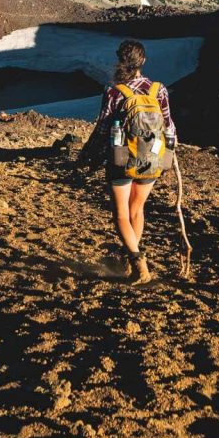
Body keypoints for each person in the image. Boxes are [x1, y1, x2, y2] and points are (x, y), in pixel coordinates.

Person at [81, 39, 176, 284]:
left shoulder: (114, 91)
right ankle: (130, 257)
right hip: (152, 159)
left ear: (119, 60)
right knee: (137, 209)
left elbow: (102, 127)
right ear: (142, 61)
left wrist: (88, 154)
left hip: (121, 158)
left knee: (121, 214)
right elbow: (169, 126)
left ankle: (138, 263)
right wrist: (170, 152)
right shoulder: (159, 90)